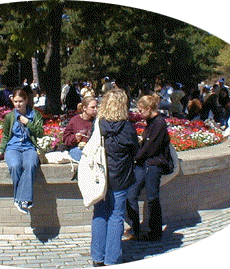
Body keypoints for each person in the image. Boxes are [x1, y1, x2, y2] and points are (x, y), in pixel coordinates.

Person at [90, 89, 139, 266]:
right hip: (120, 176)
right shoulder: (127, 128)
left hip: (101, 177)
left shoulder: (99, 125)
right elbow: (136, 151)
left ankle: (97, 256)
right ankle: (112, 258)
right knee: (116, 216)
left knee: (100, 214)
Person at [125, 94, 171, 242]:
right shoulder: (151, 122)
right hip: (144, 163)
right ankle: (135, 229)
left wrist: (135, 157)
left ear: (149, 108)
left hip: (153, 164)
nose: (139, 113)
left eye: (141, 110)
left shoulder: (159, 123)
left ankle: (155, 231)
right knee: (131, 194)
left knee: (152, 198)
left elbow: (150, 148)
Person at [0, 89, 44, 214]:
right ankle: (23, 199)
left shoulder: (35, 114)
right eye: (15, 101)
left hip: (29, 147)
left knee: (30, 164)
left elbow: (40, 132)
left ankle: (21, 200)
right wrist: (1, 150)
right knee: (15, 165)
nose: (18, 104)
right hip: (13, 147)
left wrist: (27, 122)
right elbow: (6, 135)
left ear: (26, 100)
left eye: (20, 101)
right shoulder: (10, 117)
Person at [62, 96, 98, 161]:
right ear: (84, 108)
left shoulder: (96, 121)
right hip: (78, 149)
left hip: (93, 149)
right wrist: (75, 138)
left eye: (96, 107)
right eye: (92, 107)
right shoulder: (75, 120)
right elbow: (65, 139)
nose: (95, 109)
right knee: (77, 154)